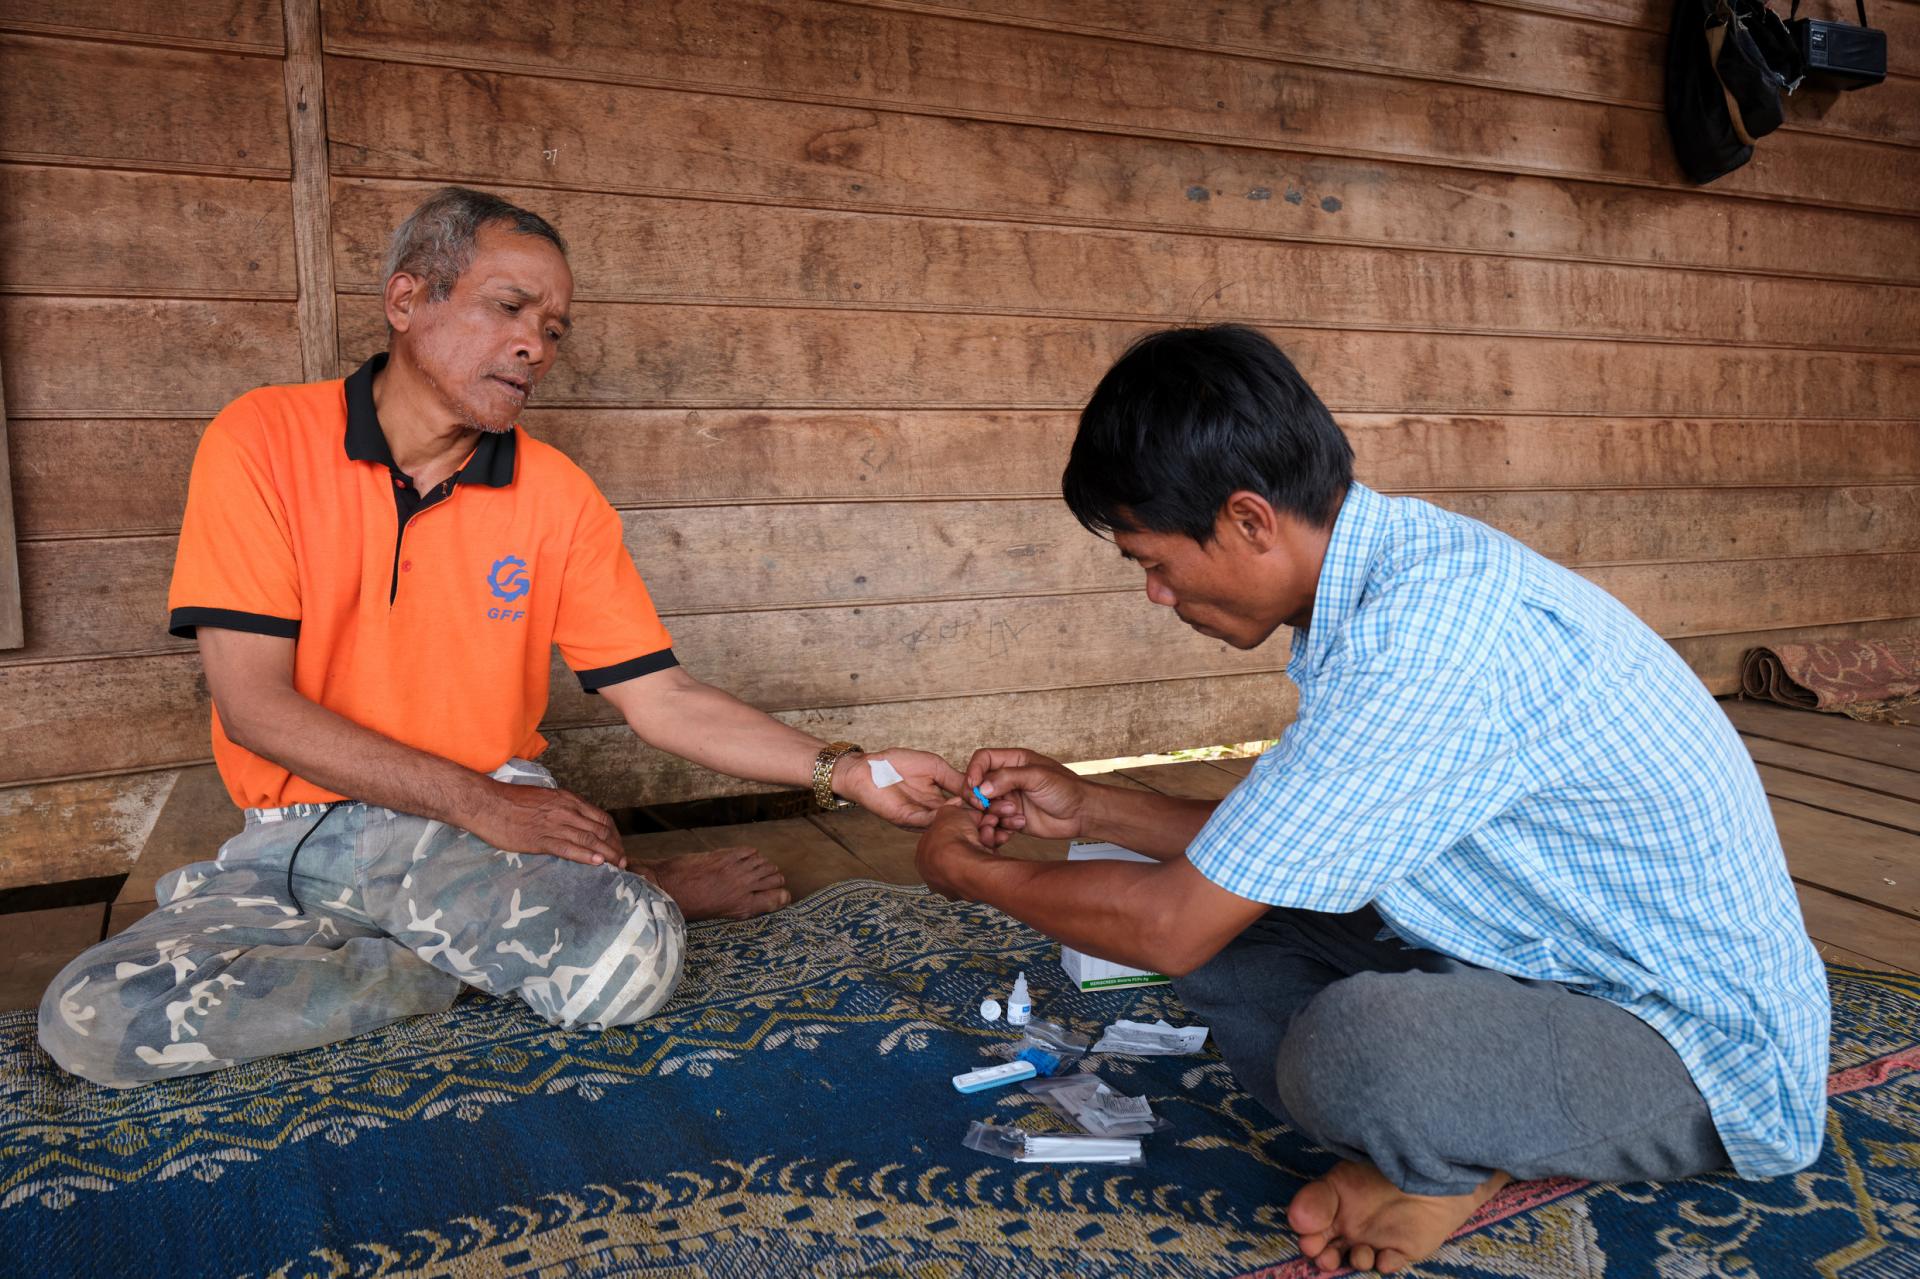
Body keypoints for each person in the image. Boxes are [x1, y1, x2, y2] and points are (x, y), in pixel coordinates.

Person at [915, 325, 1830, 1275]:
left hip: (1693, 1045)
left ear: (1249, 521)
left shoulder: (1428, 641)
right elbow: (1278, 845)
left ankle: (1454, 1154)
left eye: (1153, 560)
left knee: (1355, 1052)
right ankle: (1457, 1145)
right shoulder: (1395, 572)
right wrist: (1089, 807)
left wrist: (972, 871)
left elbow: (1167, 927)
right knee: (1249, 923)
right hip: (1537, 959)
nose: (1155, 593)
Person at [40, 187, 966, 1089]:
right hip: (296, 840)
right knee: (92, 1019)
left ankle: (541, 920)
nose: (535, 345)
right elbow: (253, 708)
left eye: (554, 328)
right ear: (407, 299)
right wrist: (476, 801)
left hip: (472, 838)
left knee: (628, 965)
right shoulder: (262, 440)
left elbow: (662, 697)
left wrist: (845, 769)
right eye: (510, 307)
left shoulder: (557, 495)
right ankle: (484, 949)